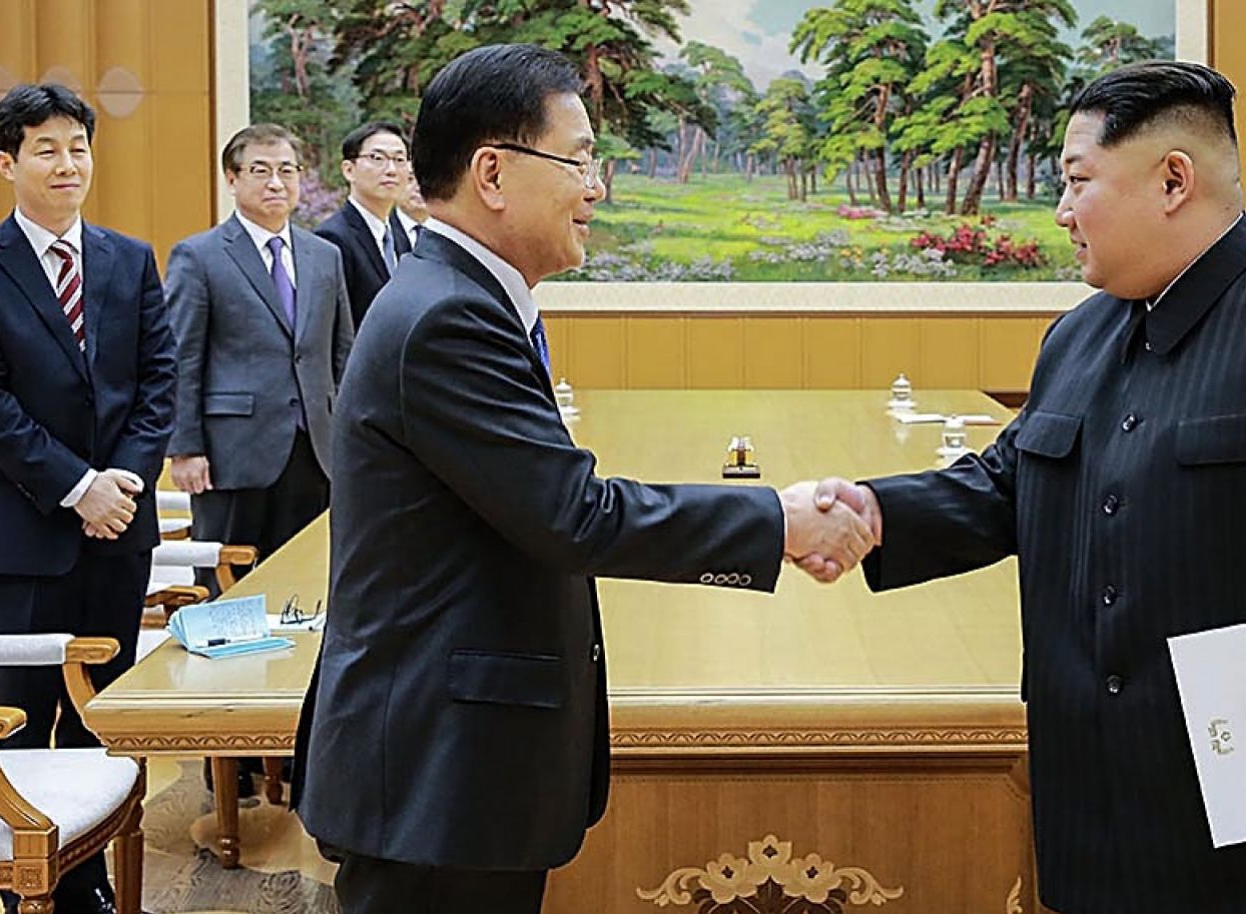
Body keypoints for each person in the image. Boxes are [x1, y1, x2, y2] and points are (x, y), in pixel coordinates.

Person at [794, 61, 1246, 914]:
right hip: (1108, 811)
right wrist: (876, 513)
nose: (1061, 213)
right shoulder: (1077, 336)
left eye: (1076, 183)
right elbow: (1011, 484)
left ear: (1173, 179)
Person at [292, 44, 873, 914]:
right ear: (493, 172)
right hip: (435, 766)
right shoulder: (446, 316)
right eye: (580, 158)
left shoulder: (460, 297)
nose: (597, 186)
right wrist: (779, 521)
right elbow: (574, 515)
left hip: (452, 759)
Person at [0, 82, 176, 914]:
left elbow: (159, 383)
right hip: (23, 534)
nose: (66, 162)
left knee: (98, 719)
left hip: (120, 527)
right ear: (7, 163)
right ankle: (23, 892)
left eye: (77, 146)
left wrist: (124, 482)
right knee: (22, 714)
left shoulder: (128, 257)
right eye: (45, 149)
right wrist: (79, 488)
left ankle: (88, 887)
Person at [167, 124, 353, 571]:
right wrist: (185, 447)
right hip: (232, 452)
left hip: (316, 449)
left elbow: (342, 353)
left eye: (287, 170)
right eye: (260, 170)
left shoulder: (324, 255)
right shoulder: (199, 256)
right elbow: (181, 358)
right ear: (232, 179)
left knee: (307, 577)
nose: (276, 182)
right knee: (228, 581)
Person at [314, 120, 413, 327]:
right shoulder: (332, 238)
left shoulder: (401, 234)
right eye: (378, 158)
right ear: (349, 170)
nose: (391, 170)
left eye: (400, 159)